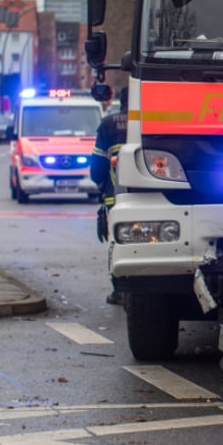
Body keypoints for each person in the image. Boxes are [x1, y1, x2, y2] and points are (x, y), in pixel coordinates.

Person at [91, 86, 129, 304]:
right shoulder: (156, 120)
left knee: (117, 240)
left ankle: (119, 289)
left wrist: (102, 184)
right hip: (153, 197)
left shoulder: (108, 125)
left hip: (115, 198)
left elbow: (97, 167)